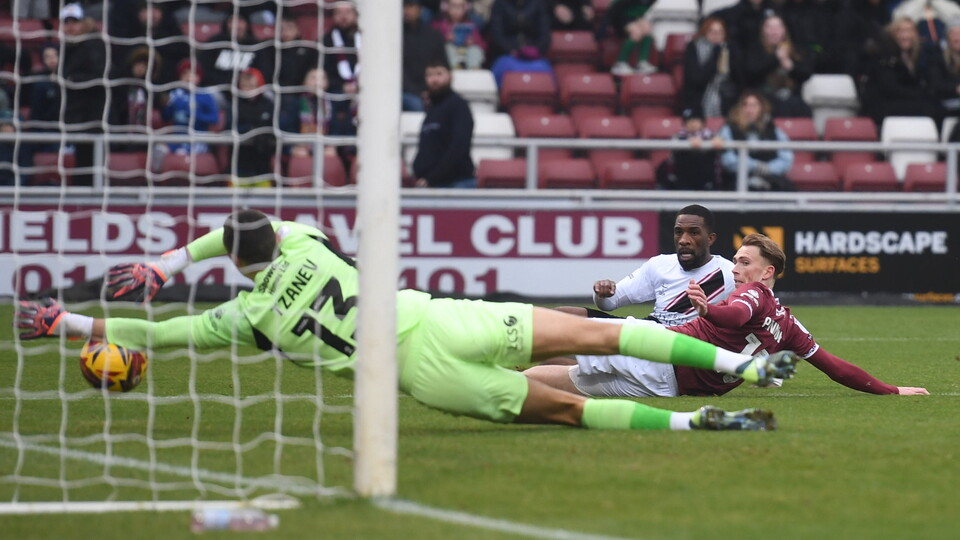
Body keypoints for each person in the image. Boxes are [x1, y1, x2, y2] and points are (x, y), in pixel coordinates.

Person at [17, 210, 801, 432]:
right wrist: (169, 260)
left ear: (236, 268)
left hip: (418, 375)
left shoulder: (245, 317)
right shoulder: (311, 244)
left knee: (561, 408)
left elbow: (151, 335)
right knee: (593, 330)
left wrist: (64, 322)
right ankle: (739, 370)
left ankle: (692, 424)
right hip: (442, 319)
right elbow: (244, 226)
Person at [525, 233, 930, 398]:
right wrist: (892, 390)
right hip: (670, 386)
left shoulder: (753, 294)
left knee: (560, 337)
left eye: (742, 262)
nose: (734, 269)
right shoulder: (788, 324)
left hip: (662, 352)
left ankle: (490, 358)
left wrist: (709, 309)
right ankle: (502, 380)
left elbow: (735, 316)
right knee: (572, 380)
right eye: (735, 261)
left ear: (767, 272)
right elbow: (834, 367)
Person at [589, 205, 735, 326]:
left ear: (710, 239)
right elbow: (609, 303)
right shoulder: (659, 265)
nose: (683, 240)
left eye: (694, 232)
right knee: (570, 316)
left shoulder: (729, 274)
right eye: (678, 232)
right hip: (647, 335)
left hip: (682, 348)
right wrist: (602, 293)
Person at [861, 17, 946, 128]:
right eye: (901, 31)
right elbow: (890, 88)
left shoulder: (917, 56)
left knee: (937, 107)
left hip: (902, 101)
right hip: (882, 105)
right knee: (930, 108)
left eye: (909, 31)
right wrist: (921, 94)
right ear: (892, 33)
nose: (905, 35)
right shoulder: (882, 54)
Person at [60, 3, 107, 186]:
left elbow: (99, 76)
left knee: (89, 167)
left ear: (84, 23)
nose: (70, 26)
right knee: (81, 165)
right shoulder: (69, 47)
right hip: (76, 117)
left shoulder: (92, 44)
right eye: (67, 22)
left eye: (75, 22)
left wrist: (73, 79)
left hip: (91, 118)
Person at [412, 59, 476, 188]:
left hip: (456, 184)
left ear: (450, 76)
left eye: (439, 74)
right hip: (432, 184)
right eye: (429, 75)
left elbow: (458, 147)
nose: (434, 79)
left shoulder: (458, 106)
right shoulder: (432, 109)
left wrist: (432, 178)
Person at [719, 90, 794, 191]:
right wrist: (755, 166)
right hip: (737, 180)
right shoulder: (728, 129)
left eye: (754, 105)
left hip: (771, 179)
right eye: (746, 105)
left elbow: (786, 159)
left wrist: (768, 169)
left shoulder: (773, 129)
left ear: (762, 108)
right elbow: (728, 161)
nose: (750, 110)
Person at [154, 60, 221, 171]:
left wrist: (193, 114)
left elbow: (214, 118)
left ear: (199, 77)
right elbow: (166, 118)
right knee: (158, 149)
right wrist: (165, 107)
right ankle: (156, 180)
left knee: (180, 155)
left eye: (192, 73)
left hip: (197, 138)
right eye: (185, 74)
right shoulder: (175, 95)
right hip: (177, 137)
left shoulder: (205, 96)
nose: (188, 77)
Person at [742, 14, 813, 118]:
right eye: (769, 27)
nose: (774, 31)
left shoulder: (795, 51)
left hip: (791, 98)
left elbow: (806, 74)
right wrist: (775, 59)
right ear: (763, 30)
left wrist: (791, 67)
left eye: (778, 27)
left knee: (801, 108)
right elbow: (752, 73)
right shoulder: (755, 50)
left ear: (784, 30)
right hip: (763, 97)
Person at [682, 17, 741, 119]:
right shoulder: (694, 48)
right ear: (705, 32)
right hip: (698, 98)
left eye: (720, 32)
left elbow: (739, 79)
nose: (716, 35)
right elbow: (697, 79)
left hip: (725, 98)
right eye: (712, 31)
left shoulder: (731, 50)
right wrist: (715, 56)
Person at [656, 107, 724, 190]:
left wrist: (714, 142)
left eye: (696, 120)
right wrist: (688, 142)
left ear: (702, 122)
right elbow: (674, 153)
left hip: (706, 181)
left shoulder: (711, 135)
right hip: (683, 181)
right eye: (689, 121)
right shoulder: (679, 136)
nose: (692, 123)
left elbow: (720, 145)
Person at [229, 68, 276, 184]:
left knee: (264, 199)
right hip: (240, 162)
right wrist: (250, 130)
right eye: (245, 86)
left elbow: (275, 127)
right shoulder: (235, 104)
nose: (248, 90)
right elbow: (229, 127)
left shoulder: (268, 104)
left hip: (263, 163)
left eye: (252, 86)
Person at [402, 0, 447, 112]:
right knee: (416, 104)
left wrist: (431, 89)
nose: (407, 11)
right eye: (404, 7)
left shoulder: (433, 36)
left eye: (411, 6)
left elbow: (442, 65)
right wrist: (418, 92)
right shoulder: (396, 36)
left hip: (429, 88)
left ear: (419, 9)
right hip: (404, 90)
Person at [431, 0, 488, 70]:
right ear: (445, 7)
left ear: (466, 8)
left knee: (475, 50)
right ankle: (455, 69)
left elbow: (483, 46)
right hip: (450, 56)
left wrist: (473, 42)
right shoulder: (438, 24)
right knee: (448, 48)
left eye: (460, 7)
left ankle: (474, 70)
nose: (456, 10)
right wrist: (445, 39)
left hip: (467, 51)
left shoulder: (471, 25)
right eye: (453, 6)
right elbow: (432, 43)